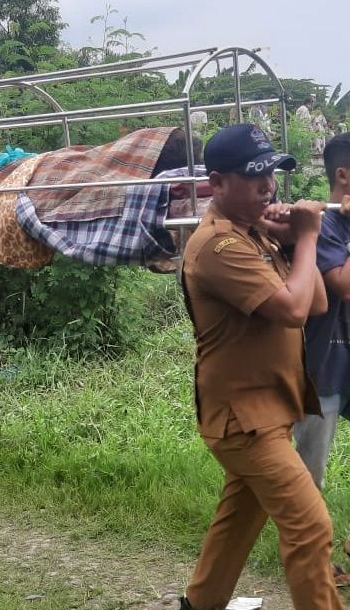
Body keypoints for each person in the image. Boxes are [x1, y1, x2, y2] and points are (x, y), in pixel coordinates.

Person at [179, 124, 342, 609]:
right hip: (243, 419)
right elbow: (293, 309)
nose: (268, 187)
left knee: (239, 522)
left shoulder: (253, 237)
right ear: (216, 183)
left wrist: (294, 242)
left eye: (271, 174)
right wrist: (311, 235)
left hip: (267, 408)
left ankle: (199, 603)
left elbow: (311, 303)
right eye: (254, 178)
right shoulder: (219, 246)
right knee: (311, 527)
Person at [294, 133, 350, 490]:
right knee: (309, 466)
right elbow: (345, 286)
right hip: (326, 363)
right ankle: (301, 538)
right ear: (343, 176)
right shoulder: (322, 226)